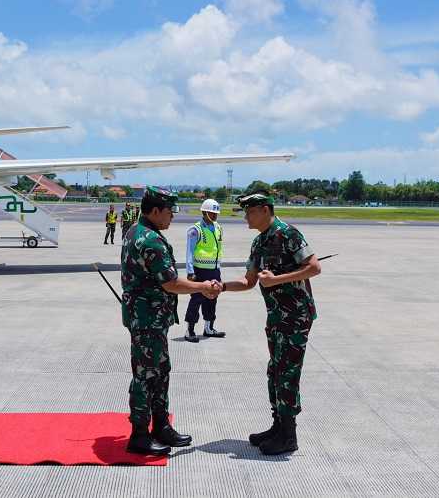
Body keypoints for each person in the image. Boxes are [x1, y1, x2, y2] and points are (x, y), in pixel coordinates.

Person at [120, 186, 221, 456]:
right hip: (147, 320)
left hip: (150, 318)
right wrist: (202, 287)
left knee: (160, 371)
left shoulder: (136, 232)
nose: (172, 217)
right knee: (145, 375)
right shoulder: (149, 239)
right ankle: (140, 435)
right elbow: (171, 283)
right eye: (169, 211)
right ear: (155, 211)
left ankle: (161, 426)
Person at [220, 192, 321, 455]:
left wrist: (278, 279)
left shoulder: (289, 234)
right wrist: (219, 287)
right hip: (276, 316)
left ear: (265, 210)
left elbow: (313, 267)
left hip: (296, 315)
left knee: (287, 372)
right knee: (275, 371)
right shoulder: (259, 242)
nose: (246, 217)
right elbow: (249, 281)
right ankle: (278, 425)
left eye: (250, 211)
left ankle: (289, 435)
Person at [183, 199, 226, 342]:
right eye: (212, 213)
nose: (214, 216)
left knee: (213, 298)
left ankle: (209, 328)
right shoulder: (195, 230)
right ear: (204, 212)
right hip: (199, 271)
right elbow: (189, 251)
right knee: (196, 299)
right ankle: (190, 330)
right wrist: (190, 271)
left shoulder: (218, 228)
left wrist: (218, 268)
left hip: (214, 270)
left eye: (216, 213)